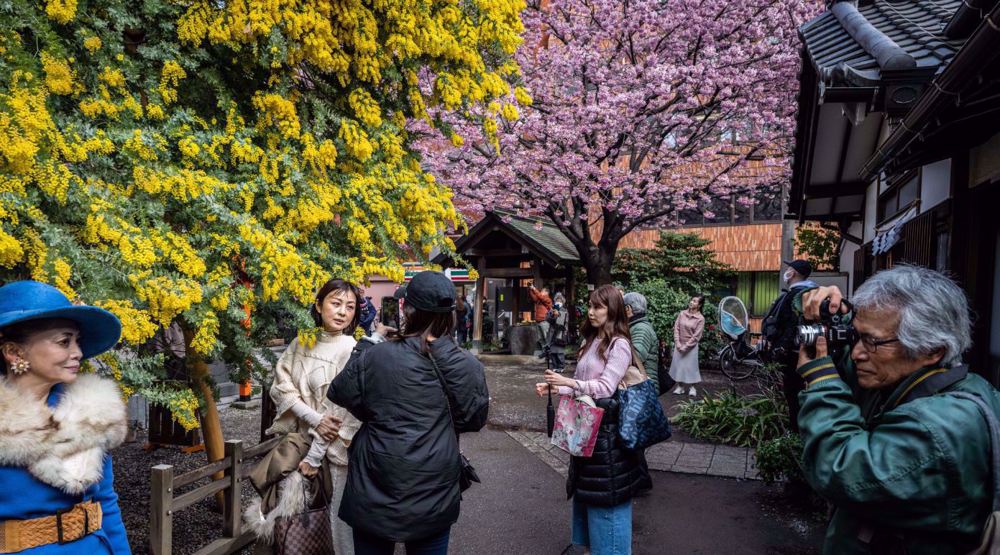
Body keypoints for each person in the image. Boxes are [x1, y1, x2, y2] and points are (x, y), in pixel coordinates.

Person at [795, 265, 1000, 554]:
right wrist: (817, 308)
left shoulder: (942, 428)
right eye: (857, 336)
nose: (857, 353)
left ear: (932, 350)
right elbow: (845, 358)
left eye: (872, 341)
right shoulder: (921, 380)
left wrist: (821, 380)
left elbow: (840, 469)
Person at [327, 271, 489, 555]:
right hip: (434, 484)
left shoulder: (377, 356)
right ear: (450, 314)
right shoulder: (466, 365)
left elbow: (340, 392)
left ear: (408, 310)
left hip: (374, 480)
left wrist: (367, 343)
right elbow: (474, 419)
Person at [0, 280, 130, 554]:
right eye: (64, 341)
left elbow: (105, 502)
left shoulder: (90, 412)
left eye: (77, 341)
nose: (78, 353)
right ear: (14, 352)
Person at [537, 284, 645, 555]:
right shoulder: (592, 340)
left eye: (598, 306)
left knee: (607, 499)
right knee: (590, 495)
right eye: (590, 305)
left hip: (609, 436)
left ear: (613, 310)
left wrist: (567, 382)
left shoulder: (619, 344)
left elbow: (606, 387)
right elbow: (585, 383)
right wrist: (556, 388)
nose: (591, 311)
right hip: (590, 431)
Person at [266, 279, 363, 554]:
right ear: (319, 305)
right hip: (298, 444)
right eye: (335, 303)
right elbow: (281, 388)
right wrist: (313, 417)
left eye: (350, 306)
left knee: (337, 526)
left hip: (332, 454)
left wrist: (315, 455)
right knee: (299, 524)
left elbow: (340, 415)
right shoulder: (301, 343)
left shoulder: (351, 350)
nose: (342, 312)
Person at [761, 259, 818, 431]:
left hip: (792, 354)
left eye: (788, 269)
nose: (786, 271)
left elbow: (790, 325)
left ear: (792, 273)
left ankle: (795, 432)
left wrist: (780, 349)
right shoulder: (811, 292)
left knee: (793, 393)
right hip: (804, 351)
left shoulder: (797, 295)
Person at [669, 295, 706, 396]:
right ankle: (680, 386)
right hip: (679, 344)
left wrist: (685, 347)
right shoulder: (682, 314)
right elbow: (676, 328)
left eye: (694, 301)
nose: (691, 302)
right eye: (691, 300)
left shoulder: (700, 318)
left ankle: (692, 388)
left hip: (691, 347)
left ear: (699, 305)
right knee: (679, 366)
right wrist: (678, 343)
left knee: (691, 367)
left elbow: (696, 336)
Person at [623, 292, 659, 393]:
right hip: (639, 385)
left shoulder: (641, 328)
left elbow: (636, 358)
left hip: (643, 387)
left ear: (628, 309)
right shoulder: (636, 326)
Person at [545, 292, 568, 372]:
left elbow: (563, 323)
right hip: (552, 333)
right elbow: (547, 319)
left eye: (560, 300)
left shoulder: (564, 310)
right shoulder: (552, 310)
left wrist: (558, 315)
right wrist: (553, 315)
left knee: (559, 351)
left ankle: (561, 367)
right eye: (557, 300)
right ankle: (555, 366)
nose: (558, 302)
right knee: (552, 352)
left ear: (562, 302)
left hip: (560, 334)